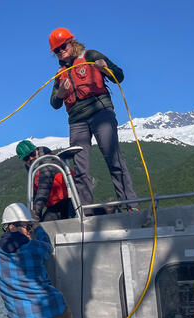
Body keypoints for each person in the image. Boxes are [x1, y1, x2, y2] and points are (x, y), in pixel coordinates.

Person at [49, 27, 138, 212]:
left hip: (101, 113)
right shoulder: (60, 74)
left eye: (62, 46)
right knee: (80, 169)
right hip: (77, 121)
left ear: (71, 42)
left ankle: (130, 207)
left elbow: (119, 75)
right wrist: (61, 93)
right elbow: (54, 103)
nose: (60, 51)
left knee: (114, 160)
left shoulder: (90, 55)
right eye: (56, 50)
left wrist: (105, 68)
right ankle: (86, 213)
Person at [16, 140, 73, 221]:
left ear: (37, 150)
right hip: (55, 205)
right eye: (26, 158)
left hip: (70, 199)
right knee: (43, 227)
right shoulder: (32, 170)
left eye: (32, 154)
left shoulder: (48, 160)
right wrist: (35, 215)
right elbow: (35, 192)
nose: (31, 158)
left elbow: (44, 187)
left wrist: (36, 212)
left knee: (72, 223)